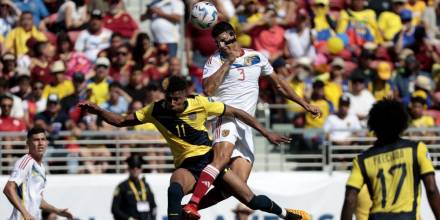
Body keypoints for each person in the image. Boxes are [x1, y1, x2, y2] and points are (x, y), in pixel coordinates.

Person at [79, 75, 310, 220]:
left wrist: (265, 132)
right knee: (174, 188)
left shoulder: (200, 103)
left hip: (212, 162)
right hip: (188, 166)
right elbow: (120, 121)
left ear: (184, 96)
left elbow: (238, 112)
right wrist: (98, 110)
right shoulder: (155, 110)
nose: (172, 103)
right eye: (169, 98)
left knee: (250, 200)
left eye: (176, 99)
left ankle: (288, 215)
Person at [183, 21, 321, 218]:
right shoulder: (215, 60)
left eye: (224, 41)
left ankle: (187, 210)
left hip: (247, 126)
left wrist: (304, 104)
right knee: (220, 159)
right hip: (226, 116)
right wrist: (228, 61)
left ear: (233, 35)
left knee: (237, 186)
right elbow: (208, 89)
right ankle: (193, 203)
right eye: (217, 43)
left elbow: (279, 86)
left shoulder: (256, 57)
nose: (222, 46)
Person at [340, 99, 440, 219]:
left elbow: (350, 199)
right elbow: (432, 189)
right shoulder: (417, 149)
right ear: (402, 123)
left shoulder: (362, 160)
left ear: (373, 126)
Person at [2, 126, 74, 220]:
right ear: (28, 142)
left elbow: (37, 200)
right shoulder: (26, 161)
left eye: (43, 139)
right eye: (36, 140)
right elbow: (8, 189)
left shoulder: (42, 168)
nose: (40, 143)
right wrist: (25, 214)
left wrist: (57, 211)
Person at [111, 154, 156, 220]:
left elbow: (153, 205)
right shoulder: (122, 186)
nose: (135, 169)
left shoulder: (146, 185)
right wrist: (129, 218)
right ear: (128, 169)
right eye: (132, 166)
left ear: (141, 169)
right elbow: (115, 209)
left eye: (138, 166)